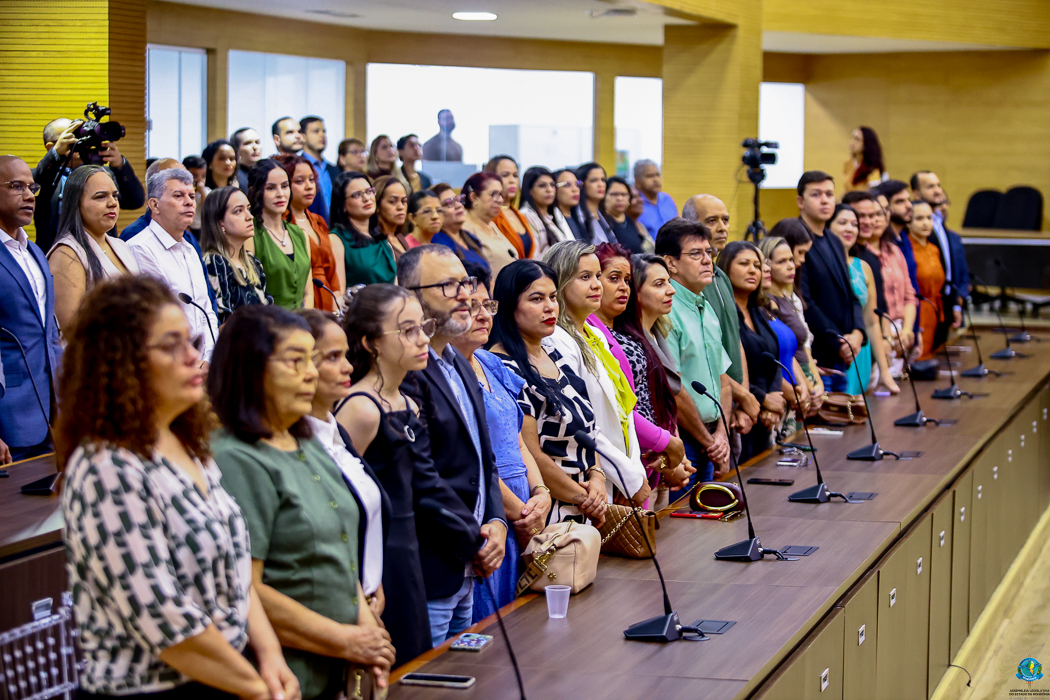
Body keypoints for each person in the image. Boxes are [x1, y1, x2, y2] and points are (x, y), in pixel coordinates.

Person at [58, 277, 300, 700]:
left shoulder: (189, 444)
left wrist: (269, 654)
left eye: (193, 341)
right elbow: (164, 620)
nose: (194, 358)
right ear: (121, 361)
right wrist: (256, 688)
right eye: (172, 346)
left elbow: (236, 571)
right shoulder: (106, 467)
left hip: (226, 672)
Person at [210, 306, 394, 697]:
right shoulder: (236, 457)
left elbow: (341, 556)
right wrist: (345, 639)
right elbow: (245, 587)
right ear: (251, 368)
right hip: (281, 677)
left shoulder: (307, 441)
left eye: (311, 360)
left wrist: (368, 635)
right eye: (296, 362)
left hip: (336, 670)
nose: (311, 372)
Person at [336, 284, 455, 666]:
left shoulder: (406, 400)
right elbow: (342, 497)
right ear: (371, 343)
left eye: (424, 327)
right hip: (379, 555)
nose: (422, 339)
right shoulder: (361, 408)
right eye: (407, 331)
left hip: (410, 550)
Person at [396, 245, 508, 647]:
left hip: (470, 561)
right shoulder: (409, 371)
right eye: (448, 285)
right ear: (410, 296)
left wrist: (496, 521)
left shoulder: (459, 360)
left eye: (464, 282)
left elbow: (484, 459)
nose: (464, 293)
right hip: (434, 564)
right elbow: (420, 476)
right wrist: (471, 540)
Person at [448, 263, 552, 621]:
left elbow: (519, 440)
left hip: (525, 501)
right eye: (470, 307)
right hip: (493, 511)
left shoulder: (492, 364)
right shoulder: (447, 376)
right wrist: (519, 515)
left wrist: (541, 493)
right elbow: (477, 457)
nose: (481, 315)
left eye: (486, 306)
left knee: (523, 622)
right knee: (490, 624)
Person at [488, 259, 608, 526]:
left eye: (553, 297)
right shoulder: (502, 367)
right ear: (509, 305)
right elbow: (531, 452)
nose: (549, 307)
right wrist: (583, 498)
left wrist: (597, 475)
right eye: (536, 298)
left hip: (586, 504)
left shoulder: (554, 354)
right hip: (550, 513)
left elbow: (587, 429)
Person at [297, 309, 389, 632]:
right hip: (329, 624)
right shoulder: (296, 447)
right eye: (332, 357)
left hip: (368, 606)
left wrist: (374, 585)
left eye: (346, 355)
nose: (348, 366)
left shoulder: (337, 433)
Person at [541, 241, 651, 506]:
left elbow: (624, 413)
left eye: (598, 276)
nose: (597, 285)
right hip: (587, 477)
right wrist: (630, 476)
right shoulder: (555, 340)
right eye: (585, 277)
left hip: (621, 471)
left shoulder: (597, 334)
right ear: (559, 283)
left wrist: (633, 469)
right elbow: (582, 423)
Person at [590, 245, 691, 508]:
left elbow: (657, 400)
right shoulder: (597, 335)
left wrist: (669, 449)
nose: (624, 287)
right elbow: (618, 410)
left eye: (627, 281)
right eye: (614, 279)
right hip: (627, 467)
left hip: (650, 461)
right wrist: (665, 444)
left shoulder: (630, 334)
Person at [655, 218, 732, 480]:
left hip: (711, 437)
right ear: (670, 263)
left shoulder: (706, 307)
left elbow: (724, 381)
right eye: (696, 254)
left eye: (709, 253)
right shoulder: (666, 311)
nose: (707, 260)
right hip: (684, 440)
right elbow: (675, 391)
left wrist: (722, 434)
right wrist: (710, 441)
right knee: (685, 520)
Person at [682, 194, 760, 447]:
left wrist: (743, 397)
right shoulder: (690, 282)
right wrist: (741, 397)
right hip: (708, 406)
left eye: (725, 220)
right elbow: (705, 353)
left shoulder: (721, 277)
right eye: (711, 220)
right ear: (689, 224)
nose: (722, 227)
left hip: (731, 402)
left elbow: (734, 341)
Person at [0, 157, 62, 464]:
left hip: (50, 417)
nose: (29, 195)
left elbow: (49, 332)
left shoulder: (35, 251)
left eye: (32, 187)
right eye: (16, 186)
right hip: (7, 421)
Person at [130, 167, 220, 358]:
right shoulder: (140, 249)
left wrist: (209, 359)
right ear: (154, 205)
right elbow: (154, 319)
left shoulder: (190, 248)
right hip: (170, 361)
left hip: (203, 363)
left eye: (191, 195)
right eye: (178, 196)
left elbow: (206, 311)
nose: (189, 202)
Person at [795, 171, 866, 390]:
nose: (825, 200)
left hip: (842, 354)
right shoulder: (796, 239)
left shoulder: (834, 240)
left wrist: (857, 333)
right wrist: (839, 340)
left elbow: (851, 295)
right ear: (800, 201)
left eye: (829, 194)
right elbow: (804, 301)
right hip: (816, 356)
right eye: (816, 194)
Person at [32, 117, 146, 252]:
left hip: (101, 257)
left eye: (79, 136)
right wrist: (55, 155)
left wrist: (120, 166)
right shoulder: (45, 178)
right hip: (55, 257)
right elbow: (35, 181)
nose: (79, 142)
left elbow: (135, 201)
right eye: (71, 137)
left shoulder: (103, 176)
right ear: (51, 147)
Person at [47, 165, 139, 330]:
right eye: (100, 197)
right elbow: (72, 328)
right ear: (76, 203)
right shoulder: (66, 253)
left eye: (115, 196)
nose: (112, 203)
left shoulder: (120, 245)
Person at [718, 241, 786, 461]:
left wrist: (774, 398)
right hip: (741, 412)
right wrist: (763, 399)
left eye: (757, 265)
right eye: (744, 264)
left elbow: (773, 356)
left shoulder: (758, 310)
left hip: (765, 414)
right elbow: (724, 367)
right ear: (726, 268)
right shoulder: (723, 314)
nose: (752, 270)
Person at [827, 203, 899, 394]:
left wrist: (885, 372)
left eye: (854, 224)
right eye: (842, 223)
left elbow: (872, 322)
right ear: (827, 227)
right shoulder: (820, 266)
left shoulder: (863, 267)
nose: (850, 228)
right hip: (835, 349)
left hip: (862, 353)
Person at [757, 236, 825, 416]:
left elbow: (803, 347)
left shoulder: (789, 298)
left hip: (803, 380)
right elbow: (782, 351)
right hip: (788, 384)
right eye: (782, 261)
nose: (790, 266)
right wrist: (807, 388)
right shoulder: (768, 303)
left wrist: (817, 382)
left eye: (791, 260)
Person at [275, 154, 341, 312]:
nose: (309, 186)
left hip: (327, 303)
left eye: (312, 180)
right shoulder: (281, 224)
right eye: (299, 181)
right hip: (298, 306)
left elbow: (332, 274)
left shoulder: (319, 221)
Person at [200, 186, 272, 323]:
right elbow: (224, 321)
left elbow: (267, 308)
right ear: (220, 222)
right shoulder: (214, 262)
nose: (249, 217)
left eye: (248, 209)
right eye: (239, 211)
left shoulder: (252, 261)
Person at [911, 170, 968, 338]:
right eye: (930, 187)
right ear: (916, 193)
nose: (937, 190)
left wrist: (956, 304)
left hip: (946, 302)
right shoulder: (916, 228)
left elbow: (953, 268)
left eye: (938, 185)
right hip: (925, 304)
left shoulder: (939, 221)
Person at [249, 159, 312, 310]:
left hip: (302, 325)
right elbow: (251, 294)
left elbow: (308, 292)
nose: (280, 194)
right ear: (256, 191)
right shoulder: (251, 235)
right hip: (268, 325)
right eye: (271, 188)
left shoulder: (300, 234)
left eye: (284, 186)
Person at [871, 199, 920, 372]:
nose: (876, 220)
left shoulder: (894, 250)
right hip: (879, 334)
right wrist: (888, 336)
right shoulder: (862, 255)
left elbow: (909, 295)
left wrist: (907, 330)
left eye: (880, 214)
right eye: (871, 216)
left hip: (901, 333)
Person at [328, 171, 396, 287]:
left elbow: (396, 287)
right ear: (343, 205)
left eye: (369, 191)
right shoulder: (335, 240)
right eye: (357, 195)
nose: (366, 198)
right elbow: (338, 294)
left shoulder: (382, 241)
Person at [909, 200, 947, 360]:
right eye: (919, 218)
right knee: (918, 358)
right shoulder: (907, 249)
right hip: (916, 311)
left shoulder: (934, 249)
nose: (926, 223)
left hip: (934, 309)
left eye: (929, 218)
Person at [462, 171, 519, 277]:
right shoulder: (464, 227)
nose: (500, 200)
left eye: (501, 195)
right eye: (494, 194)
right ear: (474, 197)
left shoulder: (491, 224)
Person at [485, 155, 534, 260]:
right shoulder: (489, 216)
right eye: (505, 175)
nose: (512, 180)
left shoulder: (519, 214)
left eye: (515, 175)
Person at [519, 166, 574, 258]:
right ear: (530, 190)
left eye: (552, 185)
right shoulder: (526, 215)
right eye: (542, 186)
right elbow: (534, 256)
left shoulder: (554, 214)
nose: (549, 190)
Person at [431, 182, 488, 270]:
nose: (458, 205)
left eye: (458, 200)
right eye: (449, 203)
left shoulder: (471, 238)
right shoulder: (438, 243)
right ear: (436, 213)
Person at [299, 116, 341, 224]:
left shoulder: (334, 170)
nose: (322, 135)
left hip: (335, 231)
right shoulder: (297, 168)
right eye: (316, 131)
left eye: (324, 131)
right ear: (303, 136)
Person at [601, 176, 648, 254]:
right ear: (604, 196)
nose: (620, 198)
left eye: (624, 194)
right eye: (614, 194)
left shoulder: (629, 220)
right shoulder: (601, 222)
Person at [633, 160, 677, 240]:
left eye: (657, 175)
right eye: (650, 176)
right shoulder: (635, 203)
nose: (656, 179)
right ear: (638, 181)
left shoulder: (667, 199)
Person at [371, 175, 413, 259]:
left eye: (404, 201)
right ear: (377, 205)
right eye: (393, 201)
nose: (401, 207)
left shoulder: (400, 237)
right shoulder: (374, 242)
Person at [572, 162, 612, 244]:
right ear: (581, 184)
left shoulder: (603, 214)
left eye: (603, 180)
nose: (600, 184)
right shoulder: (578, 216)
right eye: (594, 180)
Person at [844, 126, 886, 193]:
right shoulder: (848, 163)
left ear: (866, 143)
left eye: (857, 139)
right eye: (852, 138)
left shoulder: (873, 169)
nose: (852, 143)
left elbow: (874, 194)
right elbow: (847, 190)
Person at [553, 168, 586, 241]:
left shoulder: (580, 218)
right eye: (567, 185)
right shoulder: (551, 222)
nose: (575, 189)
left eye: (577, 184)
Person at [184, 155, 208, 235]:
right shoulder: (182, 194)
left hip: (202, 229)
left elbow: (207, 210)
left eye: (203, 176)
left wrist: (202, 192)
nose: (199, 180)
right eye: (195, 176)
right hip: (187, 228)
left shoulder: (207, 192)